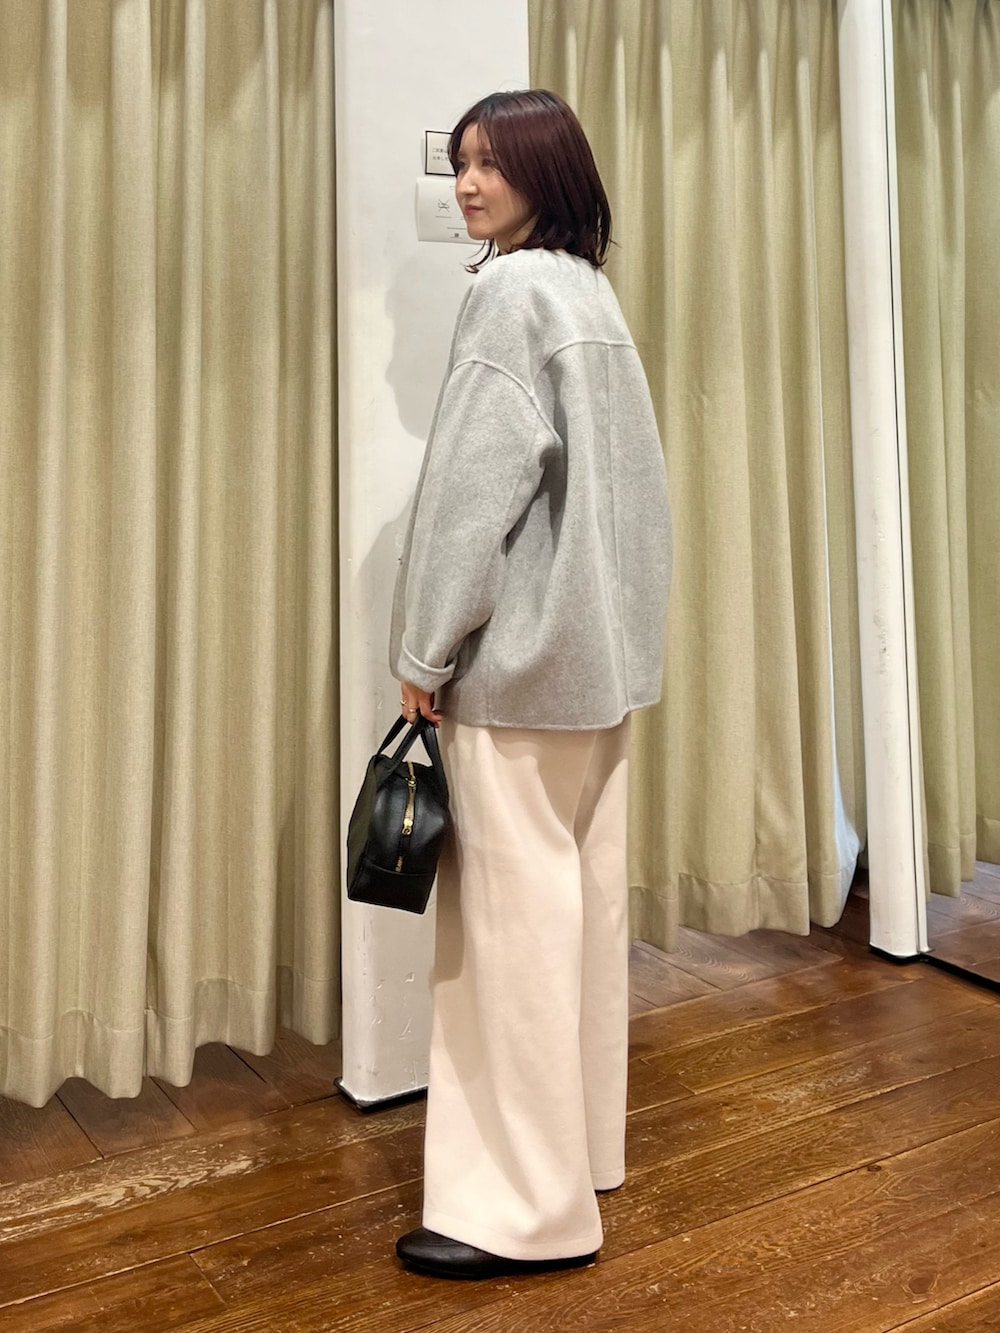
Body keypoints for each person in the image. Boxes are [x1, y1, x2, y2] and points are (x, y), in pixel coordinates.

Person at [389, 88, 672, 1280]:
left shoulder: (508, 294)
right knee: (579, 922)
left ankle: (518, 1212)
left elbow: (471, 495)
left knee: (510, 942)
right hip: (595, 674)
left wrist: (423, 652)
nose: (468, 184)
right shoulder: (588, 294)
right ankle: (581, 1157)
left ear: (547, 174)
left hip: (516, 675)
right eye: (460, 162)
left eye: (493, 164)